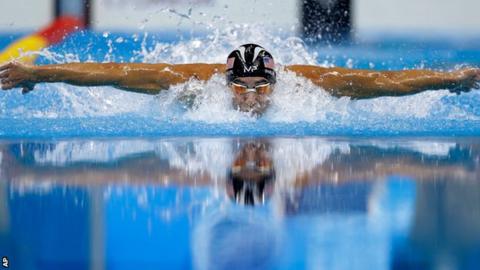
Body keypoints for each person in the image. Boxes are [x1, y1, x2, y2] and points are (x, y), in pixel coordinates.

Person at [1, 43, 479, 116]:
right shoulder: (193, 81)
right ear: (226, 79)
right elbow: (110, 74)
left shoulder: (309, 85)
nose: (250, 98)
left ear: (276, 83)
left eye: (260, 87)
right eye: (241, 86)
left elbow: (390, 82)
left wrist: (453, 79)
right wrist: (38, 72)